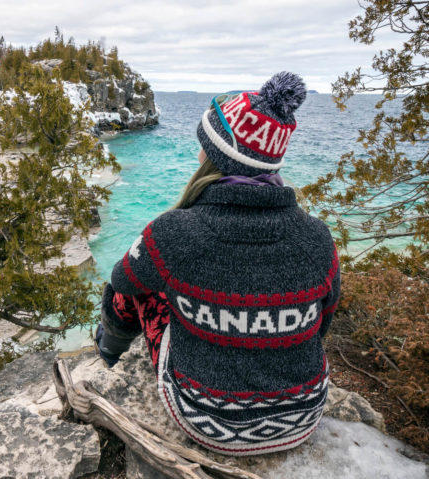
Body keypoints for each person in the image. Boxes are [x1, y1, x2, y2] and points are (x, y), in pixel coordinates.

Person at [94, 72, 340, 456]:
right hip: (302, 417)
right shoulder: (318, 238)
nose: (197, 155)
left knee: (133, 286)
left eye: (203, 148)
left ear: (216, 158)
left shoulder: (174, 232)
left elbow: (121, 280)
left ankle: (108, 355)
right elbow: (323, 321)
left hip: (205, 418)